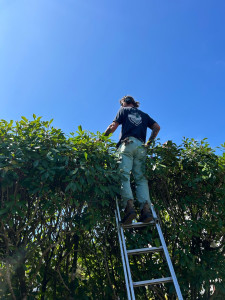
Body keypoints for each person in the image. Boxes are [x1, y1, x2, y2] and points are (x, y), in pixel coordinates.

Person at [104, 95, 160, 224]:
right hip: (141, 147)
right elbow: (157, 127)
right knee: (141, 178)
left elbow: (113, 126)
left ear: (125, 103)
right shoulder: (144, 115)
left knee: (124, 174)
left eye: (122, 103)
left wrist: (102, 138)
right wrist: (148, 144)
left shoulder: (123, 110)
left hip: (127, 144)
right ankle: (146, 211)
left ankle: (129, 208)